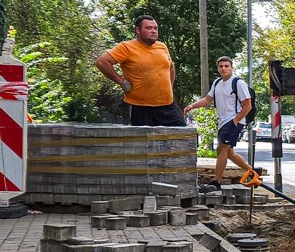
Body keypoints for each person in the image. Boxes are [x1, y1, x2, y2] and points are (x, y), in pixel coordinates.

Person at [95, 15, 183, 126]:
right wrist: (122, 82)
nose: (153, 31)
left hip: (167, 106)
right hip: (142, 108)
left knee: (184, 137)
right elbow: (102, 62)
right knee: (145, 143)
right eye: (149, 28)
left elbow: (170, 67)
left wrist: (169, 87)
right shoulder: (126, 47)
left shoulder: (162, 46)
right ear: (138, 30)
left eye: (155, 28)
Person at [182, 56, 254, 187]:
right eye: (221, 66)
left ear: (232, 67)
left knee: (221, 150)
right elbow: (207, 100)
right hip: (223, 122)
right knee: (230, 153)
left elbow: (248, 106)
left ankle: (216, 182)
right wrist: (192, 106)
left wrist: (235, 120)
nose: (223, 68)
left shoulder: (238, 83)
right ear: (218, 68)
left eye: (226, 66)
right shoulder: (217, 83)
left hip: (233, 121)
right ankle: (252, 172)